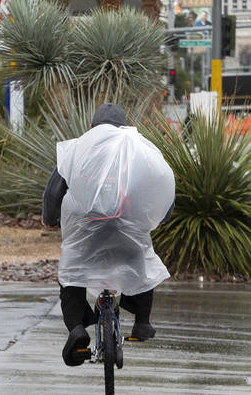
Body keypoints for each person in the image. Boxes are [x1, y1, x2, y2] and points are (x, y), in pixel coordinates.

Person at [41, 103, 175, 367]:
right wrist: (159, 218)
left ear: (91, 127)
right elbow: (162, 183)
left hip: (85, 238)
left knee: (71, 278)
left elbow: (54, 192)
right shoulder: (138, 149)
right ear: (123, 127)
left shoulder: (78, 148)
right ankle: (142, 323)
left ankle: (77, 329)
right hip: (127, 234)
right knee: (141, 259)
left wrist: (50, 219)